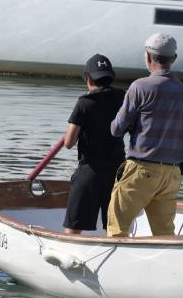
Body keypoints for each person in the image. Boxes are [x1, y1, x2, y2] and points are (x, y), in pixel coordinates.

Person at [108, 33, 183, 237]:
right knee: (164, 235)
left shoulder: (140, 87)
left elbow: (116, 129)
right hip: (172, 173)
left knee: (117, 229)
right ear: (174, 58)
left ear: (148, 57)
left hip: (143, 169)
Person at [62, 54, 126, 235]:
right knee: (114, 228)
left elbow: (68, 142)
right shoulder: (122, 97)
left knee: (73, 228)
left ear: (87, 78)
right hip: (117, 171)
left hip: (90, 172)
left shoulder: (84, 103)